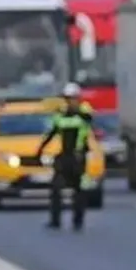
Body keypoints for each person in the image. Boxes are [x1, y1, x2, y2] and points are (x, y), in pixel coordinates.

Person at [34, 82, 94, 231]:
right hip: (64, 156)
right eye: (67, 99)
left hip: (78, 157)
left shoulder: (84, 113)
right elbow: (51, 133)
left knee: (79, 190)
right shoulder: (60, 116)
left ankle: (78, 221)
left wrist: (76, 111)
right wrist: (40, 150)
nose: (70, 101)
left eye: (72, 98)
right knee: (56, 188)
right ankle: (55, 220)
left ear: (78, 99)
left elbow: (89, 118)